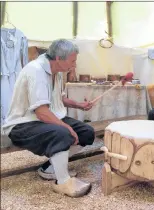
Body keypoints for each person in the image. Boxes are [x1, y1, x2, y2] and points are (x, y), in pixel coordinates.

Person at [2, 39, 95, 197]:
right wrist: (67, 127)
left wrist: (79, 105)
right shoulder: (36, 70)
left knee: (87, 132)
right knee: (63, 133)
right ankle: (63, 182)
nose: (74, 65)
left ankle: (50, 168)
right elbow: (41, 111)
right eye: (73, 61)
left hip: (43, 118)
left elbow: (58, 99)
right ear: (59, 58)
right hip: (22, 124)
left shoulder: (56, 71)